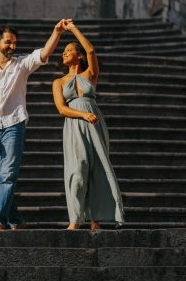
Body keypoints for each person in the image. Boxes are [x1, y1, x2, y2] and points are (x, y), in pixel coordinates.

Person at [0, 19, 71, 231]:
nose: (12, 47)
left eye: (14, 43)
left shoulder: (21, 65)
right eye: (8, 42)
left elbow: (43, 54)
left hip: (14, 126)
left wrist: (56, 32)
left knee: (7, 176)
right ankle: (17, 220)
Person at [52, 21, 125, 229]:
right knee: (77, 169)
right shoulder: (58, 82)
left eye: (69, 50)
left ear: (79, 55)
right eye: (64, 51)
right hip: (75, 124)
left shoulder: (90, 75)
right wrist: (82, 114)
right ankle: (75, 219)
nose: (64, 53)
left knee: (97, 169)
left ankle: (95, 220)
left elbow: (91, 50)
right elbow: (61, 108)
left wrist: (73, 29)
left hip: (95, 123)